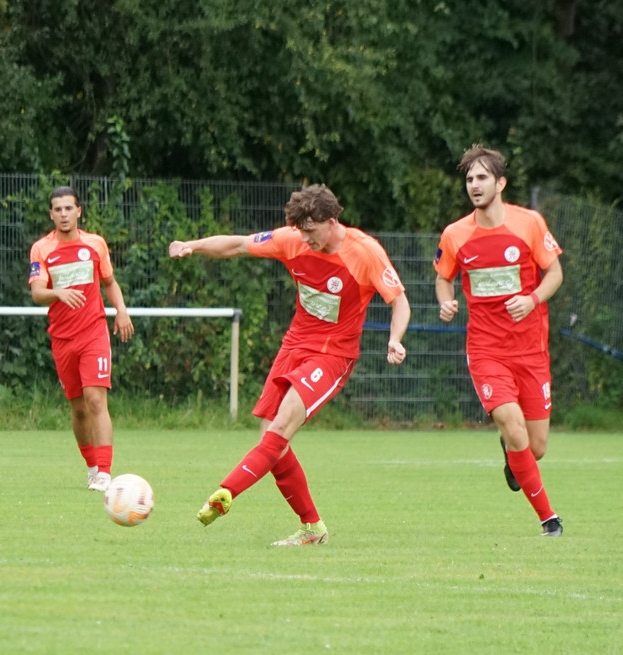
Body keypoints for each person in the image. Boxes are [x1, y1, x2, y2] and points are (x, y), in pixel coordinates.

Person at [169, 184, 410, 546]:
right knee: (271, 438)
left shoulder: (365, 252)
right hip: (294, 346)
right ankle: (312, 528)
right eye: (300, 231)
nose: (304, 239)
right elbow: (236, 244)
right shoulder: (292, 239)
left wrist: (395, 338)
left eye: (310, 231)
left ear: (330, 222)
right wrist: (194, 245)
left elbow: (400, 301)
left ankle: (226, 492)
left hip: (333, 355)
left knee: (279, 428)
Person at [435, 143, 564, 537]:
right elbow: (443, 277)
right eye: (469, 179)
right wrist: (446, 302)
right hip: (486, 349)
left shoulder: (529, 223)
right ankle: (549, 519)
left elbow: (554, 273)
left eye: (481, 178)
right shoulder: (456, 234)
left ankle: (512, 453)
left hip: (530, 349)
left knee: (535, 446)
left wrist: (533, 298)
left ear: (500, 183)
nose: (474, 185)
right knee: (511, 423)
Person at [29, 186, 134, 492]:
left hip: (93, 332)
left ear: (79, 211)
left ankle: (104, 472)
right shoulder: (42, 249)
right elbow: (37, 293)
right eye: (57, 209)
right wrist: (56, 293)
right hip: (62, 338)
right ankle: (91, 466)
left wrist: (122, 311)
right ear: (51, 214)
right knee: (77, 408)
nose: (63, 214)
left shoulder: (95, 245)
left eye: (68, 208)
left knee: (95, 399)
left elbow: (110, 282)